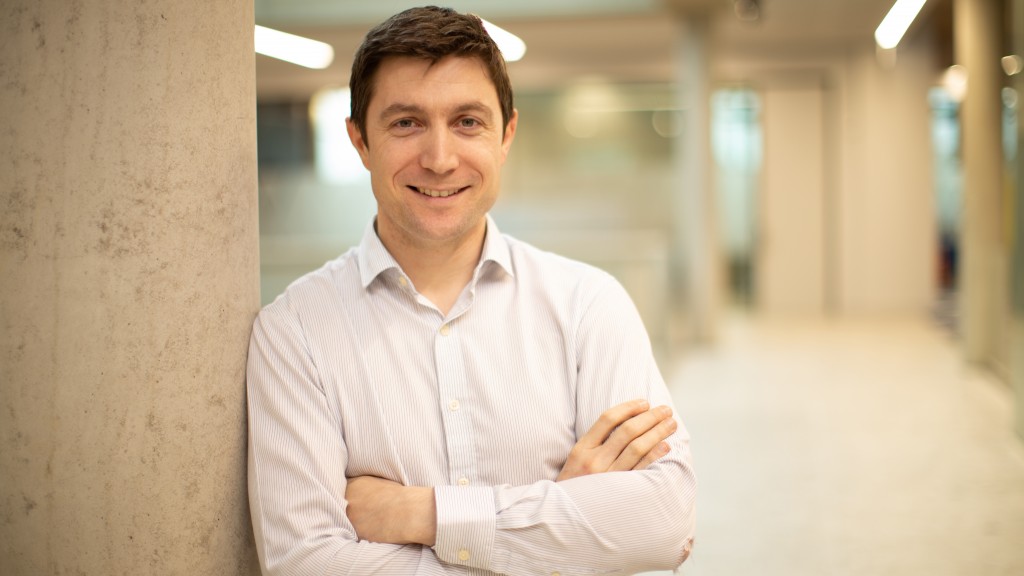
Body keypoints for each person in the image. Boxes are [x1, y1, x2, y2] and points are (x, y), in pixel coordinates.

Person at [246, 6, 697, 575]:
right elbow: (305, 563)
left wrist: (423, 514)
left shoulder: (589, 305)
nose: (439, 159)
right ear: (360, 140)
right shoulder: (296, 333)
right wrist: (557, 520)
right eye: (406, 123)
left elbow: (662, 523)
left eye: (467, 122)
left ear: (506, 133)